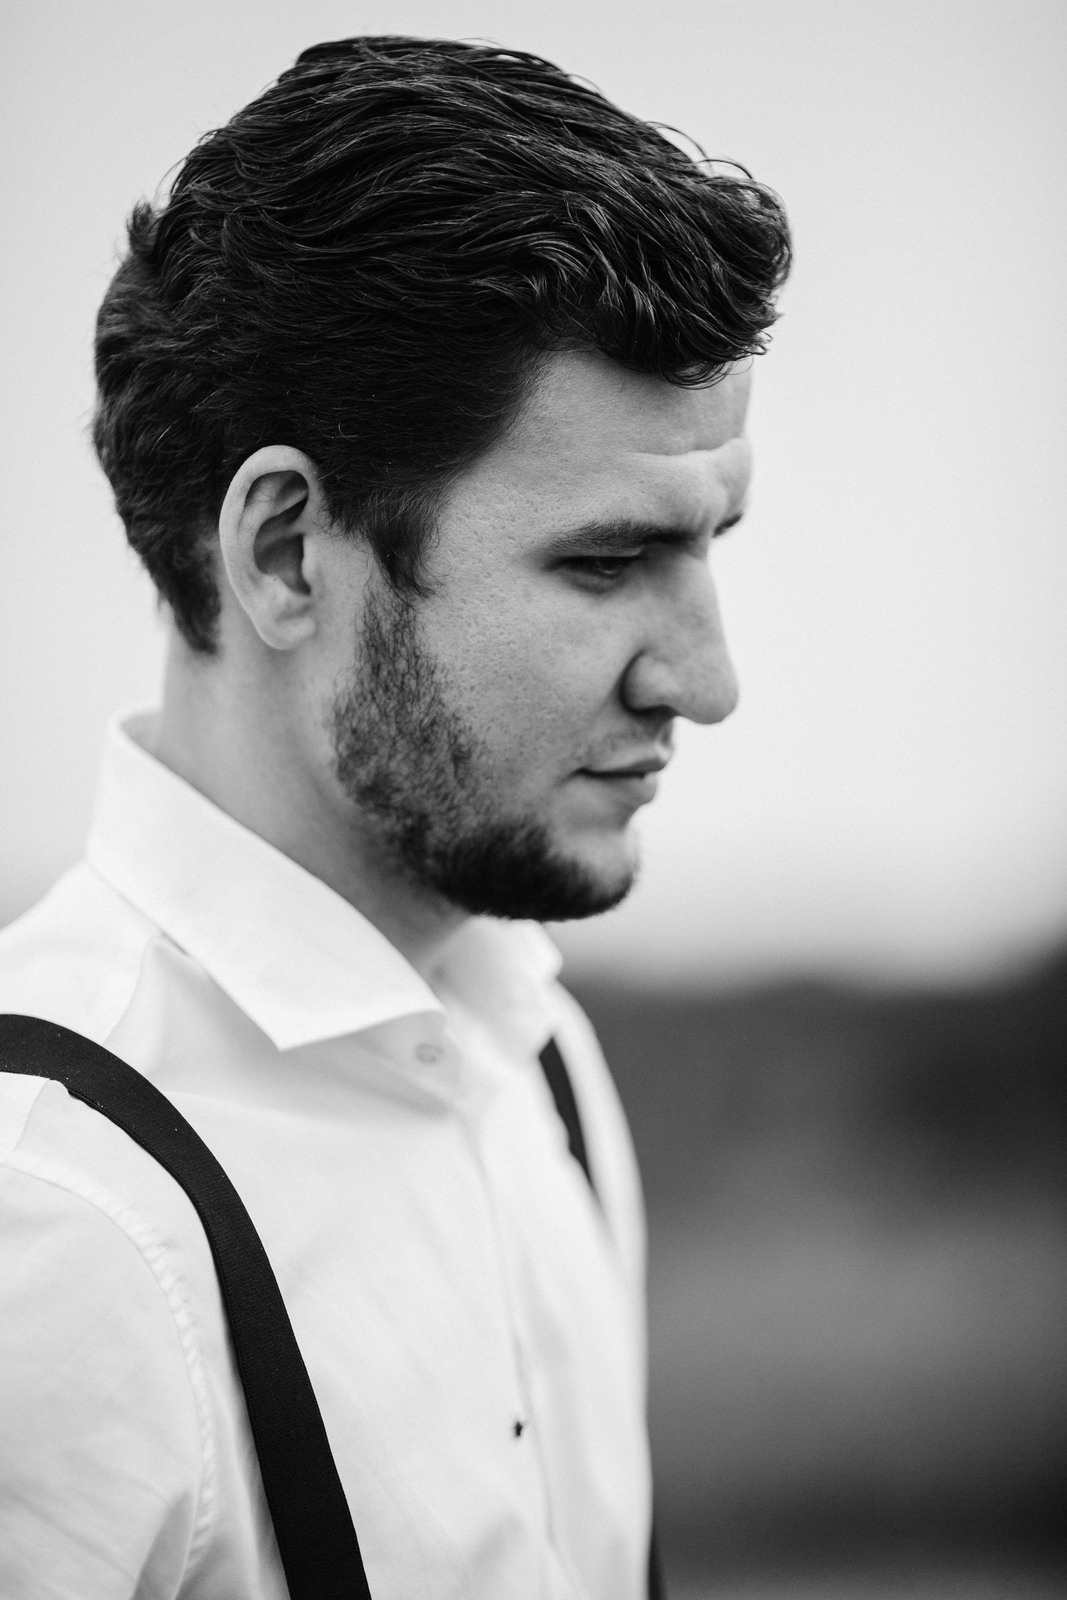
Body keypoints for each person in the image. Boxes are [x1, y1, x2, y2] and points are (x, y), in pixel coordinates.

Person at [0, 35, 790, 1600]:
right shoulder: (53, 1227)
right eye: (604, 561)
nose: (706, 683)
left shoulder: (533, 1056)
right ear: (290, 551)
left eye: (712, 546)